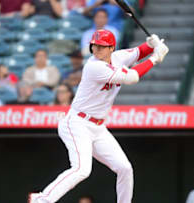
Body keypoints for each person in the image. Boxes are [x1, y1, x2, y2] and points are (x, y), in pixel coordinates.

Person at [28, 29, 169, 203]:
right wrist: (155, 58)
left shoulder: (117, 57)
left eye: (101, 47)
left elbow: (139, 51)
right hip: (77, 123)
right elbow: (132, 77)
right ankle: (41, 199)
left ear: (111, 48)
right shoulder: (94, 66)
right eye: (94, 46)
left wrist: (151, 44)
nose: (96, 50)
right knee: (81, 169)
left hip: (98, 127)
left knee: (125, 168)